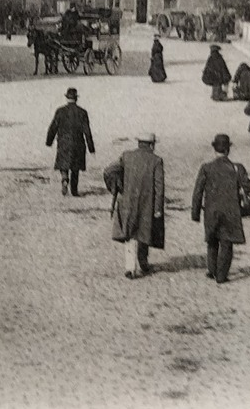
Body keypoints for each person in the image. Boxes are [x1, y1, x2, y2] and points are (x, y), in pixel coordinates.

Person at [191, 133, 250, 285]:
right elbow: (249, 186)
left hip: (211, 211)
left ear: (215, 149)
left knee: (212, 240)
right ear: (228, 150)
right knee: (227, 243)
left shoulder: (206, 168)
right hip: (231, 211)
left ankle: (211, 270)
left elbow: (197, 191)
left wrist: (195, 213)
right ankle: (221, 275)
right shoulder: (237, 168)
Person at [105, 133, 166, 279]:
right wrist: (158, 208)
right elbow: (159, 187)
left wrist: (116, 187)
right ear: (152, 145)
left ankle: (130, 268)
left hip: (127, 202)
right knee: (144, 233)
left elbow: (109, 171)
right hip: (147, 203)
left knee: (130, 234)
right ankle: (143, 262)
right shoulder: (156, 160)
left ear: (139, 143)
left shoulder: (126, 156)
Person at [45, 87, 95, 196]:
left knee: (64, 163)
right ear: (76, 99)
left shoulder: (60, 111)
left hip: (63, 142)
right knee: (75, 168)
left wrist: (49, 141)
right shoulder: (82, 112)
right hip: (78, 143)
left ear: (67, 98)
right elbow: (87, 131)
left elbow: (53, 127)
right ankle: (74, 190)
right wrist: (91, 148)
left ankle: (64, 178)